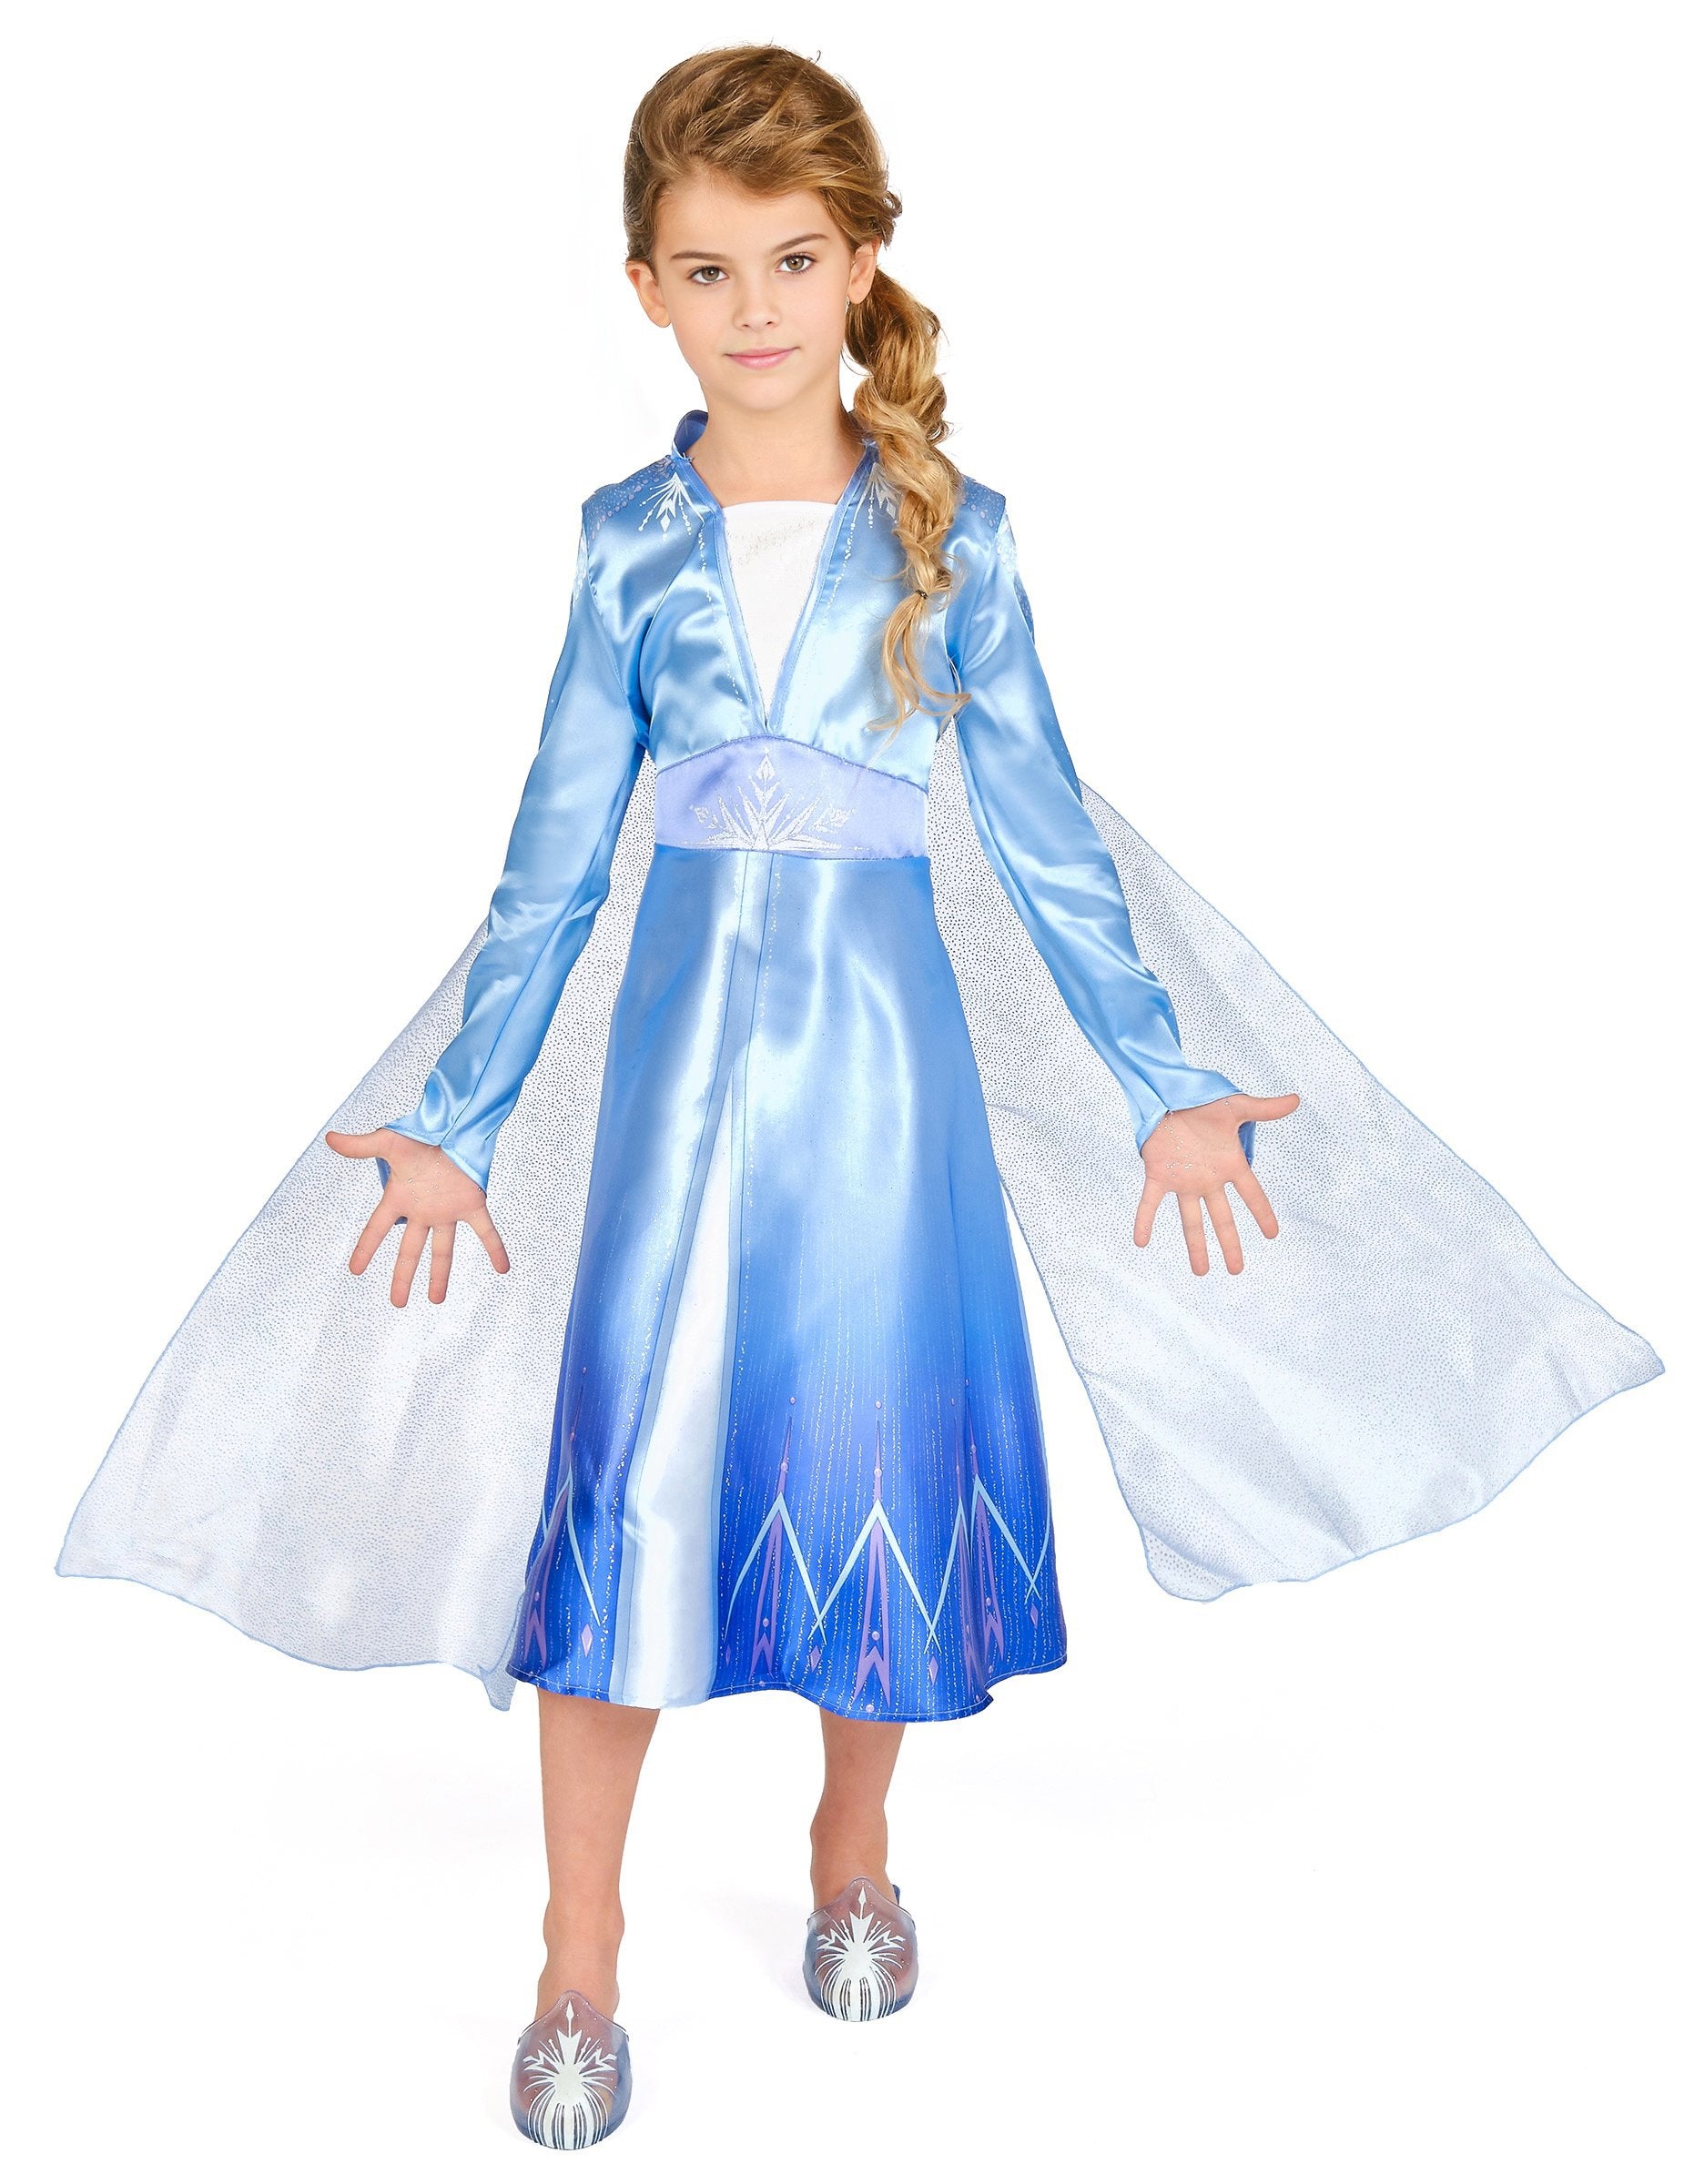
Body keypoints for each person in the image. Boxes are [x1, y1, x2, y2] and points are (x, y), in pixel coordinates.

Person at [56, 44, 1662, 2153]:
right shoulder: (627, 551)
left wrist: (1163, 1080)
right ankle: (576, 1951)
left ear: (863, 262)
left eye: (794, 260)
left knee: (864, 1474)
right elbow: (551, 870)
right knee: (621, 1503)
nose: (756, 309)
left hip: (886, 1111)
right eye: (708, 269)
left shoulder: (948, 544)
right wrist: (459, 1115)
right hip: (672, 1114)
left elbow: (1050, 843)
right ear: (643, 287)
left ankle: (849, 1847)